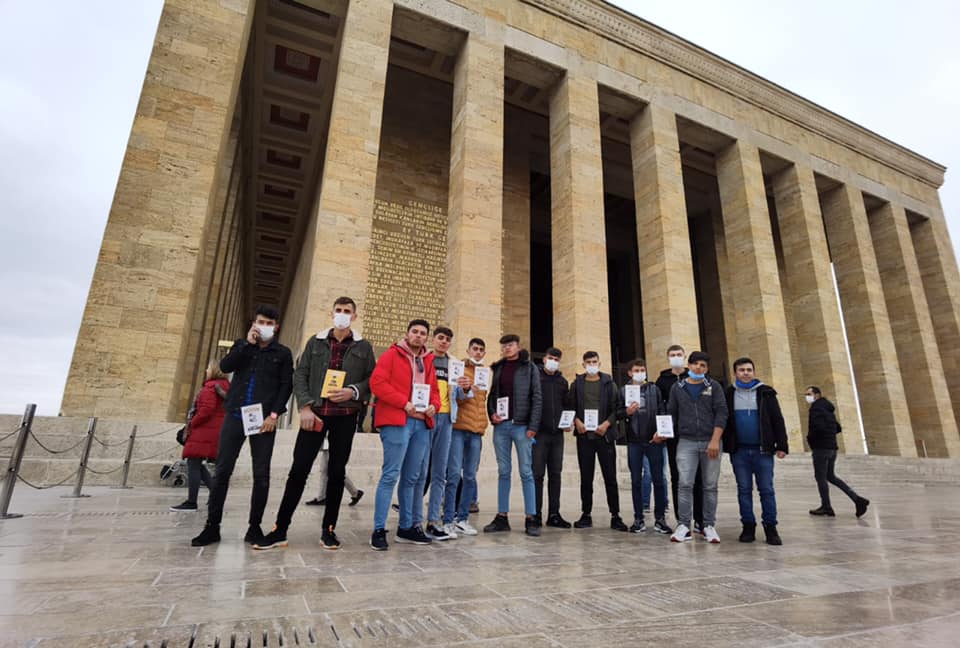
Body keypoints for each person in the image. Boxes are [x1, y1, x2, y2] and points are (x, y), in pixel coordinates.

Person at [255, 297, 376, 550]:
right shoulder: (316, 341)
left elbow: (371, 379)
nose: (342, 314)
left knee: (336, 473)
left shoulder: (363, 347)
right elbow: (301, 374)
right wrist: (305, 406)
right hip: (316, 414)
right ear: (331, 313)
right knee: (298, 470)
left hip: (345, 416)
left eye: (347, 311)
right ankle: (280, 528)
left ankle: (328, 529)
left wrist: (353, 392)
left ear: (354, 316)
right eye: (339, 310)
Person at [191, 305, 294, 547]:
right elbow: (226, 367)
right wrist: (247, 344)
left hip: (263, 419)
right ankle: (212, 526)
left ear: (276, 326)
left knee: (261, 475)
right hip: (235, 415)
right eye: (260, 322)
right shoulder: (242, 346)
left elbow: (285, 385)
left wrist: (274, 414)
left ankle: (254, 527)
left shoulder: (283, 353)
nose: (264, 326)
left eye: (269, 323)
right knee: (222, 471)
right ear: (254, 323)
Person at [369, 320, 441, 551]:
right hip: (398, 420)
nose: (418, 336)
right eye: (415, 332)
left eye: (423, 333)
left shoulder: (428, 360)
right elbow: (377, 383)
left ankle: (407, 527)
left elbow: (435, 392)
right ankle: (379, 529)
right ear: (407, 334)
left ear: (427, 338)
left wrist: (434, 406)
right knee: (390, 475)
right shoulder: (392, 355)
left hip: (421, 424)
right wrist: (404, 403)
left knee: (412, 478)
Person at [722, 358, 788, 545]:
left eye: (749, 369)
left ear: (754, 371)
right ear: (735, 373)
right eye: (741, 370)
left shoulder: (766, 393)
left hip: (763, 451)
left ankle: (771, 528)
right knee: (744, 489)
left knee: (766, 489)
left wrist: (782, 445)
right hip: (740, 451)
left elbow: (777, 419)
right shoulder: (729, 393)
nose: (746, 373)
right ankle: (748, 526)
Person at [483, 334, 542, 536]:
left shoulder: (529, 367)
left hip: (522, 426)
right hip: (502, 427)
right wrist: (492, 414)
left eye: (510, 345)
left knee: (526, 472)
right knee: (503, 471)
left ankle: (531, 518)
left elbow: (537, 397)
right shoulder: (498, 368)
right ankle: (502, 517)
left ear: (518, 346)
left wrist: (533, 426)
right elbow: (492, 396)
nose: (507, 348)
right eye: (504, 346)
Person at [666, 351, 727, 544]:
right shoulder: (678, 387)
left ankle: (708, 525)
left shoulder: (714, 386)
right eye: (695, 364)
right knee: (684, 484)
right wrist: (662, 432)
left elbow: (721, 413)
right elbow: (672, 414)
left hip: (711, 441)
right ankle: (684, 525)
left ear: (706, 369)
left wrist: (715, 440)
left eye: (703, 366)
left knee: (710, 486)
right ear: (689, 365)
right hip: (686, 441)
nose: (698, 368)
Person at [570, 351, 628, 532]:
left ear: (600, 362)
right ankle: (585, 514)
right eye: (588, 362)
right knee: (586, 478)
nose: (592, 364)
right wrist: (576, 421)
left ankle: (615, 515)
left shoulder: (609, 384)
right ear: (583, 365)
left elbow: (618, 409)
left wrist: (607, 424)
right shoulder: (577, 384)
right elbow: (569, 405)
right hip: (585, 437)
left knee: (610, 477)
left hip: (605, 436)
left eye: (594, 361)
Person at [420, 327, 463, 541]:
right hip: (425, 417)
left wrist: (466, 387)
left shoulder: (454, 364)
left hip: (447, 420)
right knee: (419, 470)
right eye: (441, 338)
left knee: (439, 473)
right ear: (433, 339)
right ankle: (413, 520)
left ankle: (433, 521)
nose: (444, 342)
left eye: (448, 339)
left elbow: (463, 395)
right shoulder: (423, 359)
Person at [170, 360, 229, 512]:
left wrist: (192, 424)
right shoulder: (225, 387)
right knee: (195, 463)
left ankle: (192, 502)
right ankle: (215, 494)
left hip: (204, 430)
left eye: (208, 368)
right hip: (213, 431)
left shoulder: (211, 387)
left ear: (215, 370)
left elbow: (206, 410)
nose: (206, 371)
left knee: (193, 462)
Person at [656, 344, 703, 533]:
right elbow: (660, 408)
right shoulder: (662, 381)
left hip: (694, 434)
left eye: (679, 354)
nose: (676, 357)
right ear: (668, 358)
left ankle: (700, 519)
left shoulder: (694, 378)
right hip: (674, 436)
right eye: (672, 355)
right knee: (677, 477)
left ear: (685, 357)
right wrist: (661, 430)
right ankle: (682, 520)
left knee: (697, 477)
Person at [443, 337, 488, 536]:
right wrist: (465, 389)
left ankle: (463, 518)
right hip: (459, 428)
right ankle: (448, 519)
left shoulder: (485, 374)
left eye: (481, 350)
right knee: (453, 475)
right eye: (475, 349)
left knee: (470, 476)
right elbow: (456, 399)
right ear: (469, 350)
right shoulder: (459, 369)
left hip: (477, 431)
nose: (477, 352)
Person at [622, 358, 672, 535]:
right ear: (630, 373)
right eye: (636, 370)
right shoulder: (623, 391)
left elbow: (662, 411)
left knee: (658, 479)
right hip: (634, 442)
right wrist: (626, 412)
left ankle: (660, 518)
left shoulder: (654, 389)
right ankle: (638, 518)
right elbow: (617, 413)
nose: (640, 372)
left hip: (654, 441)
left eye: (642, 369)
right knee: (636, 480)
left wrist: (662, 432)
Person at [805, 386, 870, 518]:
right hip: (832, 448)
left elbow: (817, 428)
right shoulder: (828, 409)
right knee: (830, 477)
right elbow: (837, 427)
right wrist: (829, 436)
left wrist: (811, 439)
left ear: (817, 395)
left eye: (809, 394)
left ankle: (826, 506)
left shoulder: (816, 407)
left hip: (821, 448)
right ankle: (857, 499)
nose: (807, 397)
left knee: (821, 477)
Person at [534, 347, 572, 528]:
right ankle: (535, 514)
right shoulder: (536, 378)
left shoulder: (562, 382)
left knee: (555, 474)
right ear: (544, 359)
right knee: (537, 474)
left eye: (557, 359)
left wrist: (568, 422)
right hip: (539, 434)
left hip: (557, 435)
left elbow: (567, 405)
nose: (553, 361)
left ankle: (554, 514)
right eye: (550, 358)